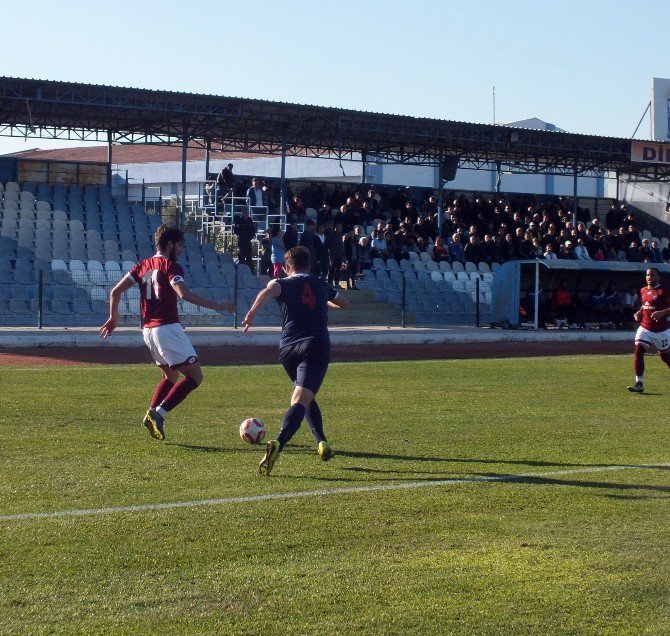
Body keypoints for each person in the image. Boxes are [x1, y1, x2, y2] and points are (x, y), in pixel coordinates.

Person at [99, 225, 235, 440]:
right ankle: (159, 413)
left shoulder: (143, 265)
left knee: (170, 375)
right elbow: (183, 293)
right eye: (180, 245)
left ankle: (150, 413)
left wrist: (113, 318)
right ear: (170, 244)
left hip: (148, 331)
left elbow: (115, 291)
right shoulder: (170, 266)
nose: (181, 250)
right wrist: (218, 306)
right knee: (195, 377)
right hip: (167, 329)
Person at [242, 246, 351, 475]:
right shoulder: (321, 283)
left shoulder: (283, 282)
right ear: (309, 265)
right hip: (315, 345)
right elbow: (345, 302)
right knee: (301, 399)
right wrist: (324, 301)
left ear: (286, 266)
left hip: (288, 349)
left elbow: (267, 291)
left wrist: (252, 312)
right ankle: (279, 443)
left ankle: (322, 441)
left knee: (305, 395)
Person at [627, 267, 670, 393]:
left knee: (665, 357)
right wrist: (639, 313)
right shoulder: (643, 290)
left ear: (658, 277)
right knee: (638, 351)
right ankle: (639, 383)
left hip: (661, 331)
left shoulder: (663, 292)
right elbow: (645, 304)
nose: (649, 278)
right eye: (647, 275)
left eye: (652, 275)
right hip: (645, 328)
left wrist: (662, 313)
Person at [233, 208, 256, 272]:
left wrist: (250, 236)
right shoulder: (239, 221)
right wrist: (243, 234)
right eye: (245, 213)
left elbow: (253, 230)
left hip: (248, 241)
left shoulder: (250, 221)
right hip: (242, 240)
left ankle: (251, 271)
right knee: (242, 256)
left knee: (249, 256)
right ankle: (241, 269)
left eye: (247, 213)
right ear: (242, 214)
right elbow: (236, 231)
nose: (246, 214)